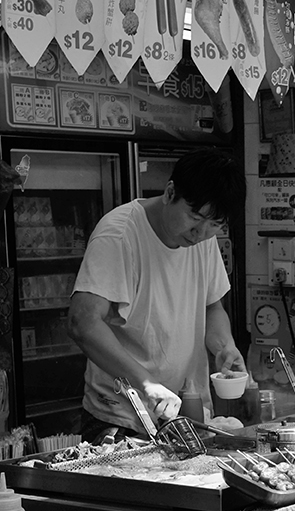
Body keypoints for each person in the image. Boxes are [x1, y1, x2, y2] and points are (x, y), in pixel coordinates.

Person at [68, 149, 247, 439]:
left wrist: (224, 347)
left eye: (214, 225)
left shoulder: (201, 238)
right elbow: (82, 323)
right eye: (195, 217)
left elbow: (212, 307)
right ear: (169, 192)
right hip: (122, 417)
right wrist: (147, 383)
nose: (200, 233)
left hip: (185, 414)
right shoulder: (120, 235)